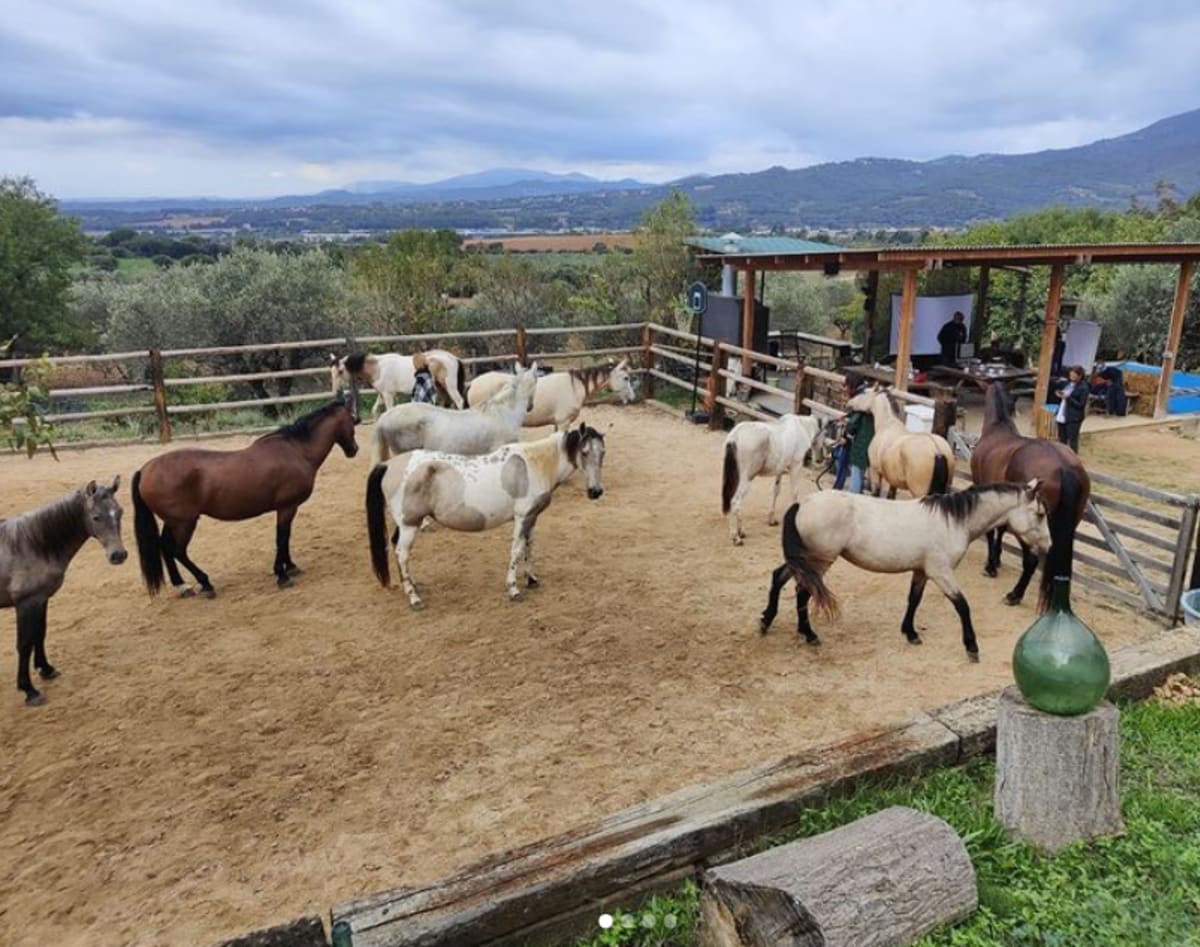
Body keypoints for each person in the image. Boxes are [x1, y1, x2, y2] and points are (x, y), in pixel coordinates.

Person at [1054, 364, 1089, 453]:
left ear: (1080, 376)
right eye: (1071, 374)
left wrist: (1068, 398)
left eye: (1074, 375)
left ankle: (1073, 457)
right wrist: (1060, 394)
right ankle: (1062, 455)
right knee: (1062, 437)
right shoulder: (1067, 384)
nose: (1072, 376)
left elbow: (1081, 404)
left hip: (1074, 417)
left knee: (1072, 439)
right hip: (1063, 413)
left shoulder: (1083, 388)